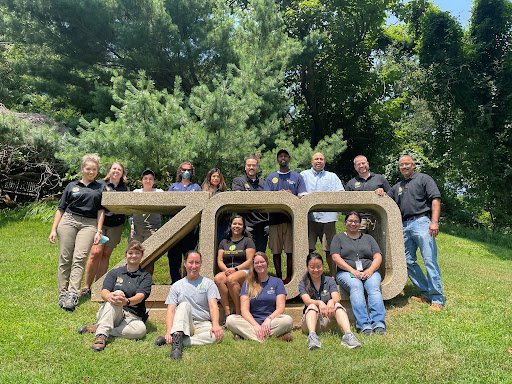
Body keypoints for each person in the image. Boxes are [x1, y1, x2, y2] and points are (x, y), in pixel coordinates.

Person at [387, 154, 446, 311]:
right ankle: (426, 291)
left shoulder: (424, 179)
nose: (404, 167)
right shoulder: (397, 186)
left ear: (413, 165)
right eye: (402, 165)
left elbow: (436, 199)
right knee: (407, 261)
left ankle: (438, 299)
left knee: (429, 260)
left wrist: (434, 222)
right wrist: (379, 191)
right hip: (404, 226)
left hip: (422, 223)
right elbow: (386, 199)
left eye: (407, 164)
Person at [48, 153, 105, 311]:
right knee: (65, 257)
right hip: (68, 221)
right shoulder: (71, 186)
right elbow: (61, 209)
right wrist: (53, 229)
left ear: (97, 171)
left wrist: (99, 231)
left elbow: (101, 210)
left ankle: (73, 294)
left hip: (89, 224)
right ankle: (62, 293)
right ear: (82, 169)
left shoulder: (100, 187)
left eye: (94, 169)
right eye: (88, 168)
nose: (91, 172)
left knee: (79, 258)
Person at [78, 240, 152, 352]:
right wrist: (110, 297)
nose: (134, 256)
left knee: (140, 331)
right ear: (125, 255)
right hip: (112, 312)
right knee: (117, 295)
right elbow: (104, 292)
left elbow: (140, 296)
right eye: (130, 253)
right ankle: (101, 336)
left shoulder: (145, 276)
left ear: (142, 256)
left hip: (132, 316)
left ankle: (99, 328)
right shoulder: (115, 272)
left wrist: (126, 301)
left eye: (137, 253)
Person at [160, 251, 224, 360]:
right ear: (185, 264)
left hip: (203, 323)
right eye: (190, 262)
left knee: (215, 337)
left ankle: (178, 341)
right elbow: (170, 310)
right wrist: (168, 331)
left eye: (197, 263)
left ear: (201, 264)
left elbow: (213, 306)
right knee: (184, 305)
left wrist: (215, 324)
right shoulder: (176, 286)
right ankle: (176, 345)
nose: (194, 266)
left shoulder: (209, 284)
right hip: (184, 325)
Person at [331, 212, 387, 335]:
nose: (353, 223)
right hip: (346, 272)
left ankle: (379, 324)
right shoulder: (338, 238)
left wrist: (370, 270)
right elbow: (335, 257)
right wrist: (352, 271)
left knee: (373, 288)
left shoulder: (368, 238)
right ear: (345, 222)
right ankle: (364, 325)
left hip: (369, 271)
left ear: (360, 223)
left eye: (356, 221)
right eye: (350, 221)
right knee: (356, 286)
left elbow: (377, 256)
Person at [82, 162, 129, 296]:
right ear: (109, 171)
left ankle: (98, 286)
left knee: (106, 255)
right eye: (114, 168)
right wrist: (98, 228)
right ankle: (86, 287)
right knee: (96, 252)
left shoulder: (125, 189)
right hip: (100, 224)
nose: (116, 171)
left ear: (122, 173)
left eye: (119, 169)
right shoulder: (100, 185)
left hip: (116, 225)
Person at [225, 252, 293, 342]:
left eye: (262, 262)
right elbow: (244, 310)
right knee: (230, 320)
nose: (259, 265)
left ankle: (248, 336)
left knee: (288, 320)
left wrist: (268, 320)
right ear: (253, 265)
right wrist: (255, 325)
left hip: (271, 322)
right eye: (256, 263)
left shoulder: (277, 282)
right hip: (251, 322)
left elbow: (280, 308)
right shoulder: (248, 283)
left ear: (267, 263)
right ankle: (266, 337)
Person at [300, 252, 361, 350]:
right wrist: (319, 303)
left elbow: (336, 297)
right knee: (312, 306)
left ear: (323, 266)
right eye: (312, 267)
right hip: (311, 322)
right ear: (307, 267)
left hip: (328, 319)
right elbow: (307, 301)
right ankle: (312, 337)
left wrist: (331, 302)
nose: (316, 270)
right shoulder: (303, 283)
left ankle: (348, 336)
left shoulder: (329, 280)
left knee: (337, 305)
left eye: (319, 266)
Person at [264, 149, 307, 284]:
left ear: (289, 158)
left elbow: (303, 196)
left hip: (290, 220)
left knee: (290, 251)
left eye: (285, 156)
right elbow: (265, 197)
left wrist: (292, 196)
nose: (283, 158)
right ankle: (278, 277)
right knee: (276, 251)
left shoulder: (297, 177)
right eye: (280, 156)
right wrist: (279, 195)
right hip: (274, 220)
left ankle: (289, 277)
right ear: (277, 159)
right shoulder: (271, 177)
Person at [300, 152, 344, 276]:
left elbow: (341, 192)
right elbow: (299, 193)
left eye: (321, 159)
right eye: (316, 159)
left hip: (328, 218)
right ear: (311, 161)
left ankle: (334, 276)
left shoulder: (332, 176)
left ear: (324, 162)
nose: (319, 161)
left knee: (330, 249)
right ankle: (307, 275)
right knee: (307, 248)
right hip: (309, 218)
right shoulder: (304, 175)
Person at [167, 161, 202, 284]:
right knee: (173, 258)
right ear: (180, 171)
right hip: (175, 230)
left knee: (190, 258)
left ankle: (190, 282)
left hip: (191, 230)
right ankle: (175, 283)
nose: (186, 172)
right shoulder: (173, 187)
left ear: (192, 172)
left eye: (189, 170)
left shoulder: (196, 187)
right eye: (184, 169)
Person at [214, 216, 255, 316]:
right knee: (218, 278)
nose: (237, 226)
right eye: (234, 224)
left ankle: (238, 312)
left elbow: (250, 261)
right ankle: (228, 312)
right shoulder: (224, 242)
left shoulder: (248, 241)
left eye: (240, 224)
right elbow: (219, 260)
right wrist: (226, 270)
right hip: (228, 270)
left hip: (244, 270)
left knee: (231, 279)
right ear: (231, 226)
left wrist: (235, 269)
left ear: (244, 227)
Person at [231, 155, 269, 252]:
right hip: (247, 224)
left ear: (257, 167)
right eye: (249, 165)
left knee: (260, 254)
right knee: (247, 254)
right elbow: (238, 196)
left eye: (254, 165)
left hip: (263, 224)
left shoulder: (264, 183)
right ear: (245, 167)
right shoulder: (238, 181)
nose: (251, 167)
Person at [345, 155, 391, 234]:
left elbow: (391, 197)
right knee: (357, 244)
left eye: (363, 163)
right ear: (355, 167)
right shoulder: (351, 183)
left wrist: (383, 192)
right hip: (359, 221)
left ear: (368, 164)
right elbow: (346, 205)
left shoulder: (380, 179)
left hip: (377, 219)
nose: (361, 166)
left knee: (378, 245)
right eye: (358, 164)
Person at [130, 169, 163, 274]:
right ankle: (132, 278)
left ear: (154, 181)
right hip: (137, 229)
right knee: (133, 254)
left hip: (152, 228)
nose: (148, 181)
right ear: (142, 181)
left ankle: (147, 280)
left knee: (149, 256)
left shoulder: (159, 192)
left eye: (150, 179)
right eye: (145, 178)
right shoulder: (136, 192)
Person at [201, 167, 229, 246]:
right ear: (209, 178)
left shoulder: (223, 191)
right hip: (209, 222)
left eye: (218, 176)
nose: (216, 178)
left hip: (223, 223)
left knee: (221, 244)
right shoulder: (204, 191)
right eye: (213, 176)